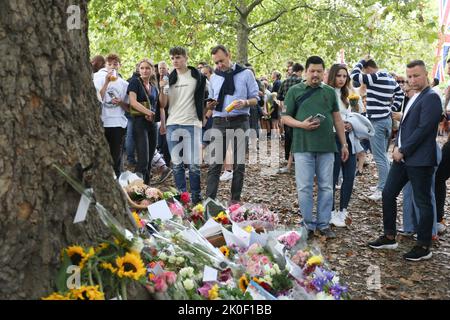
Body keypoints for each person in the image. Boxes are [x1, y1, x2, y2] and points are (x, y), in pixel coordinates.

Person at [368, 60, 443, 261]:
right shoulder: (413, 96)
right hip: (402, 158)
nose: (412, 80)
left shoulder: (432, 97)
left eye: (416, 75)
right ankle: (390, 236)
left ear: (426, 74)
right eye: (409, 76)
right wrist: (396, 145)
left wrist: (403, 149)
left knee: (422, 201)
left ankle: (424, 245)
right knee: (388, 193)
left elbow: (424, 129)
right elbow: (407, 125)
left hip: (419, 159)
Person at [282, 56, 349, 240]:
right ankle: (307, 224)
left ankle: (324, 223)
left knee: (327, 187)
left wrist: (343, 144)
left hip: (327, 146)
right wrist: (301, 125)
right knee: (304, 187)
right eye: (312, 71)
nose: (315, 74)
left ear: (324, 72)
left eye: (319, 71)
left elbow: (337, 119)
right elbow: (285, 117)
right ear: (306, 71)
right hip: (303, 146)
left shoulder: (329, 92)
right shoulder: (295, 91)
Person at [205, 45, 259, 203]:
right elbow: (212, 100)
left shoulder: (246, 74)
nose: (219, 65)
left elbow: (256, 99)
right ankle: (209, 202)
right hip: (219, 121)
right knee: (214, 165)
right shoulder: (214, 77)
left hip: (240, 121)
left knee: (239, 166)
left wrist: (245, 102)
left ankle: (234, 202)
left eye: (221, 61)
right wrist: (210, 105)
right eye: (216, 63)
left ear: (229, 54)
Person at [351, 56, 405, 201]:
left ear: (367, 69)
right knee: (383, 155)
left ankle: (383, 189)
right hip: (386, 120)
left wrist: (360, 61)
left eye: (364, 71)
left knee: (380, 157)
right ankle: (385, 184)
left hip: (377, 122)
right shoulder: (388, 76)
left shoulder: (374, 77)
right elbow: (400, 94)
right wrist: (391, 109)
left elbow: (354, 75)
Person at [159, 47, 206, 204]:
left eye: (178, 57)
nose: (175, 61)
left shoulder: (197, 77)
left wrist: (204, 116)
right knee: (177, 165)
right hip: (173, 124)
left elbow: (204, 98)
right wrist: (162, 88)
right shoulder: (169, 79)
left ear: (186, 57)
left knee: (194, 165)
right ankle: (182, 197)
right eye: (172, 58)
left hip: (192, 123)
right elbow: (163, 103)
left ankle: (196, 197)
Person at [326, 64, 361, 227]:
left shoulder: (350, 94)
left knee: (350, 175)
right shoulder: (326, 93)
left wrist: (352, 123)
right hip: (332, 137)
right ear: (333, 76)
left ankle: (343, 209)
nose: (341, 79)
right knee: (332, 177)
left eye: (344, 76)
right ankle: (331, 211)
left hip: (350, 137)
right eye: (338, 76)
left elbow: (360, 114)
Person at [127, 59, 166, 184]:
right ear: (139, 69)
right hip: (139, 123)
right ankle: (135, 189)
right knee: (143, 159)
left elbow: (161, 105)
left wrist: (163, 87)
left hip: (152, 124)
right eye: (142, 68)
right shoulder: (134, 82)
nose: (144, 70)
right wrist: (148, 112)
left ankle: (147, 189)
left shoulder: (154, 87)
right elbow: (133, 102)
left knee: (149, 160)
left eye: (147, 68)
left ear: (152, 70)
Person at [93, 53, 130, 178]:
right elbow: (98, 100)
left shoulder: (125, 84)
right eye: (109, 64)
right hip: (102, 123)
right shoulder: (98, 80)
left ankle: (117, 182)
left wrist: (120, 102)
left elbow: (129, 108)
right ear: (105, 66)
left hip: (117, 125)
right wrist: (106, 82)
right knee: (101, 156)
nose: (112, 67)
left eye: (115, 64)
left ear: (120, 65)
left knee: (115, 158)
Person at [277, 63, 304, 174]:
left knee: (288, 135)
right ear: (299, 71)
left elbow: (279, 96)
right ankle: (297, 158)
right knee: (297, 134)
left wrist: (283, 109)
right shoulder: (300, 81)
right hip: (298, 111)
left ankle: (288, 157)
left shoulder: (285, 81)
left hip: (286, 109)